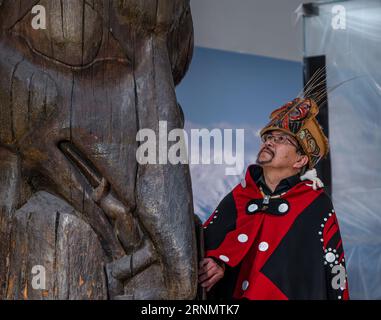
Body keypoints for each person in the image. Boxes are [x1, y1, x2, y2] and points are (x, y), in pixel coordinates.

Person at [198, 97, 349, 300]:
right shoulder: (240, 194)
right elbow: (205, 241)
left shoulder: (315, 205)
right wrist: (218, 258)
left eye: (281, 139)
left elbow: (334, 269)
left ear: (300, 160)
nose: (269, 142)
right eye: (268, 137)